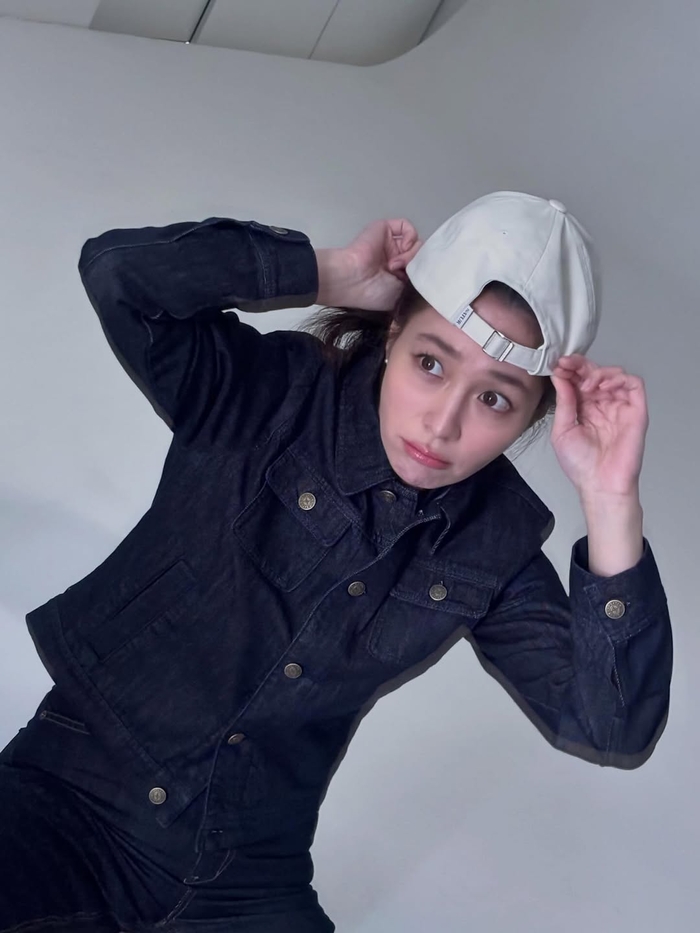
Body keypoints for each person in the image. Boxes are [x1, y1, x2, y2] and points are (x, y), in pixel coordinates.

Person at [0, 191, 672, 932]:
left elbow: (610, 728)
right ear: (393, 332)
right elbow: (119, 273)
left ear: (534, 414)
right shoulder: (268, 391)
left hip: (245, 875)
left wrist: (611, 500)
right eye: (430, 363)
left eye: (495, 400)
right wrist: (326, 273)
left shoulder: (493, 540)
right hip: (70, 797)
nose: (442, 424)